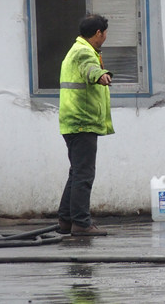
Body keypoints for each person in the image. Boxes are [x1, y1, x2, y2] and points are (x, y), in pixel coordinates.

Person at [58, 13, 114, 236]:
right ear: (98, 33)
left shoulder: (80, 49)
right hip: (82, 123)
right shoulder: (83, 52)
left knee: (77, 172)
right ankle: (81, 223)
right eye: (105, 32)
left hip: (74, 122)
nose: (106, 36)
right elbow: (89, 69)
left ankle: (66, 219)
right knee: (84, 174)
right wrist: (100, 75)